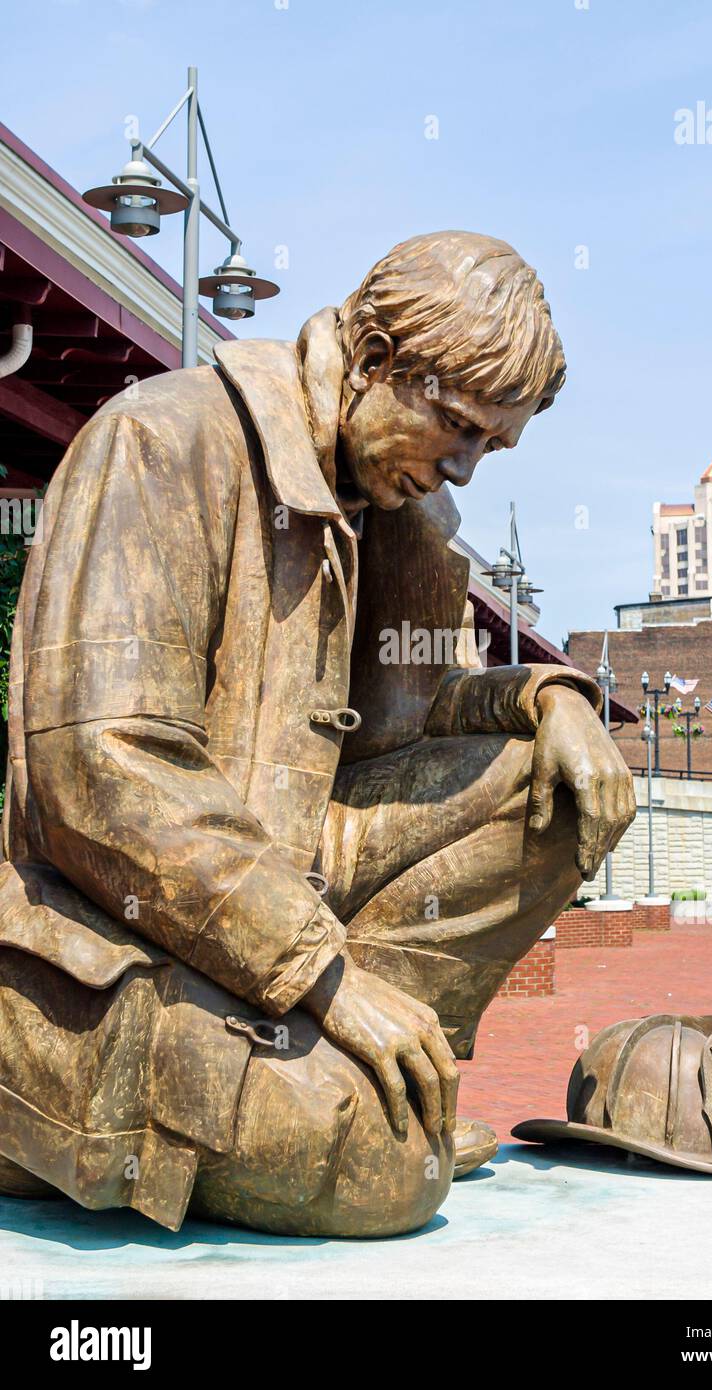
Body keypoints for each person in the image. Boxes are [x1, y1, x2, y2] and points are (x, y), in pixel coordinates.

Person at [0, 232, 635, 1236]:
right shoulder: (161, 441)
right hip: (104, 937)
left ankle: (394, 1075)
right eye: (458, 428)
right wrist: (325, 981)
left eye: (491, 447)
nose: (461, 469)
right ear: (376, 358)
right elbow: (100, 768)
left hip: (291, 884)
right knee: (385, 1171)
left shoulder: (401, 522)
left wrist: (552, 702)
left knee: (552, 782)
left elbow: (427, 721)